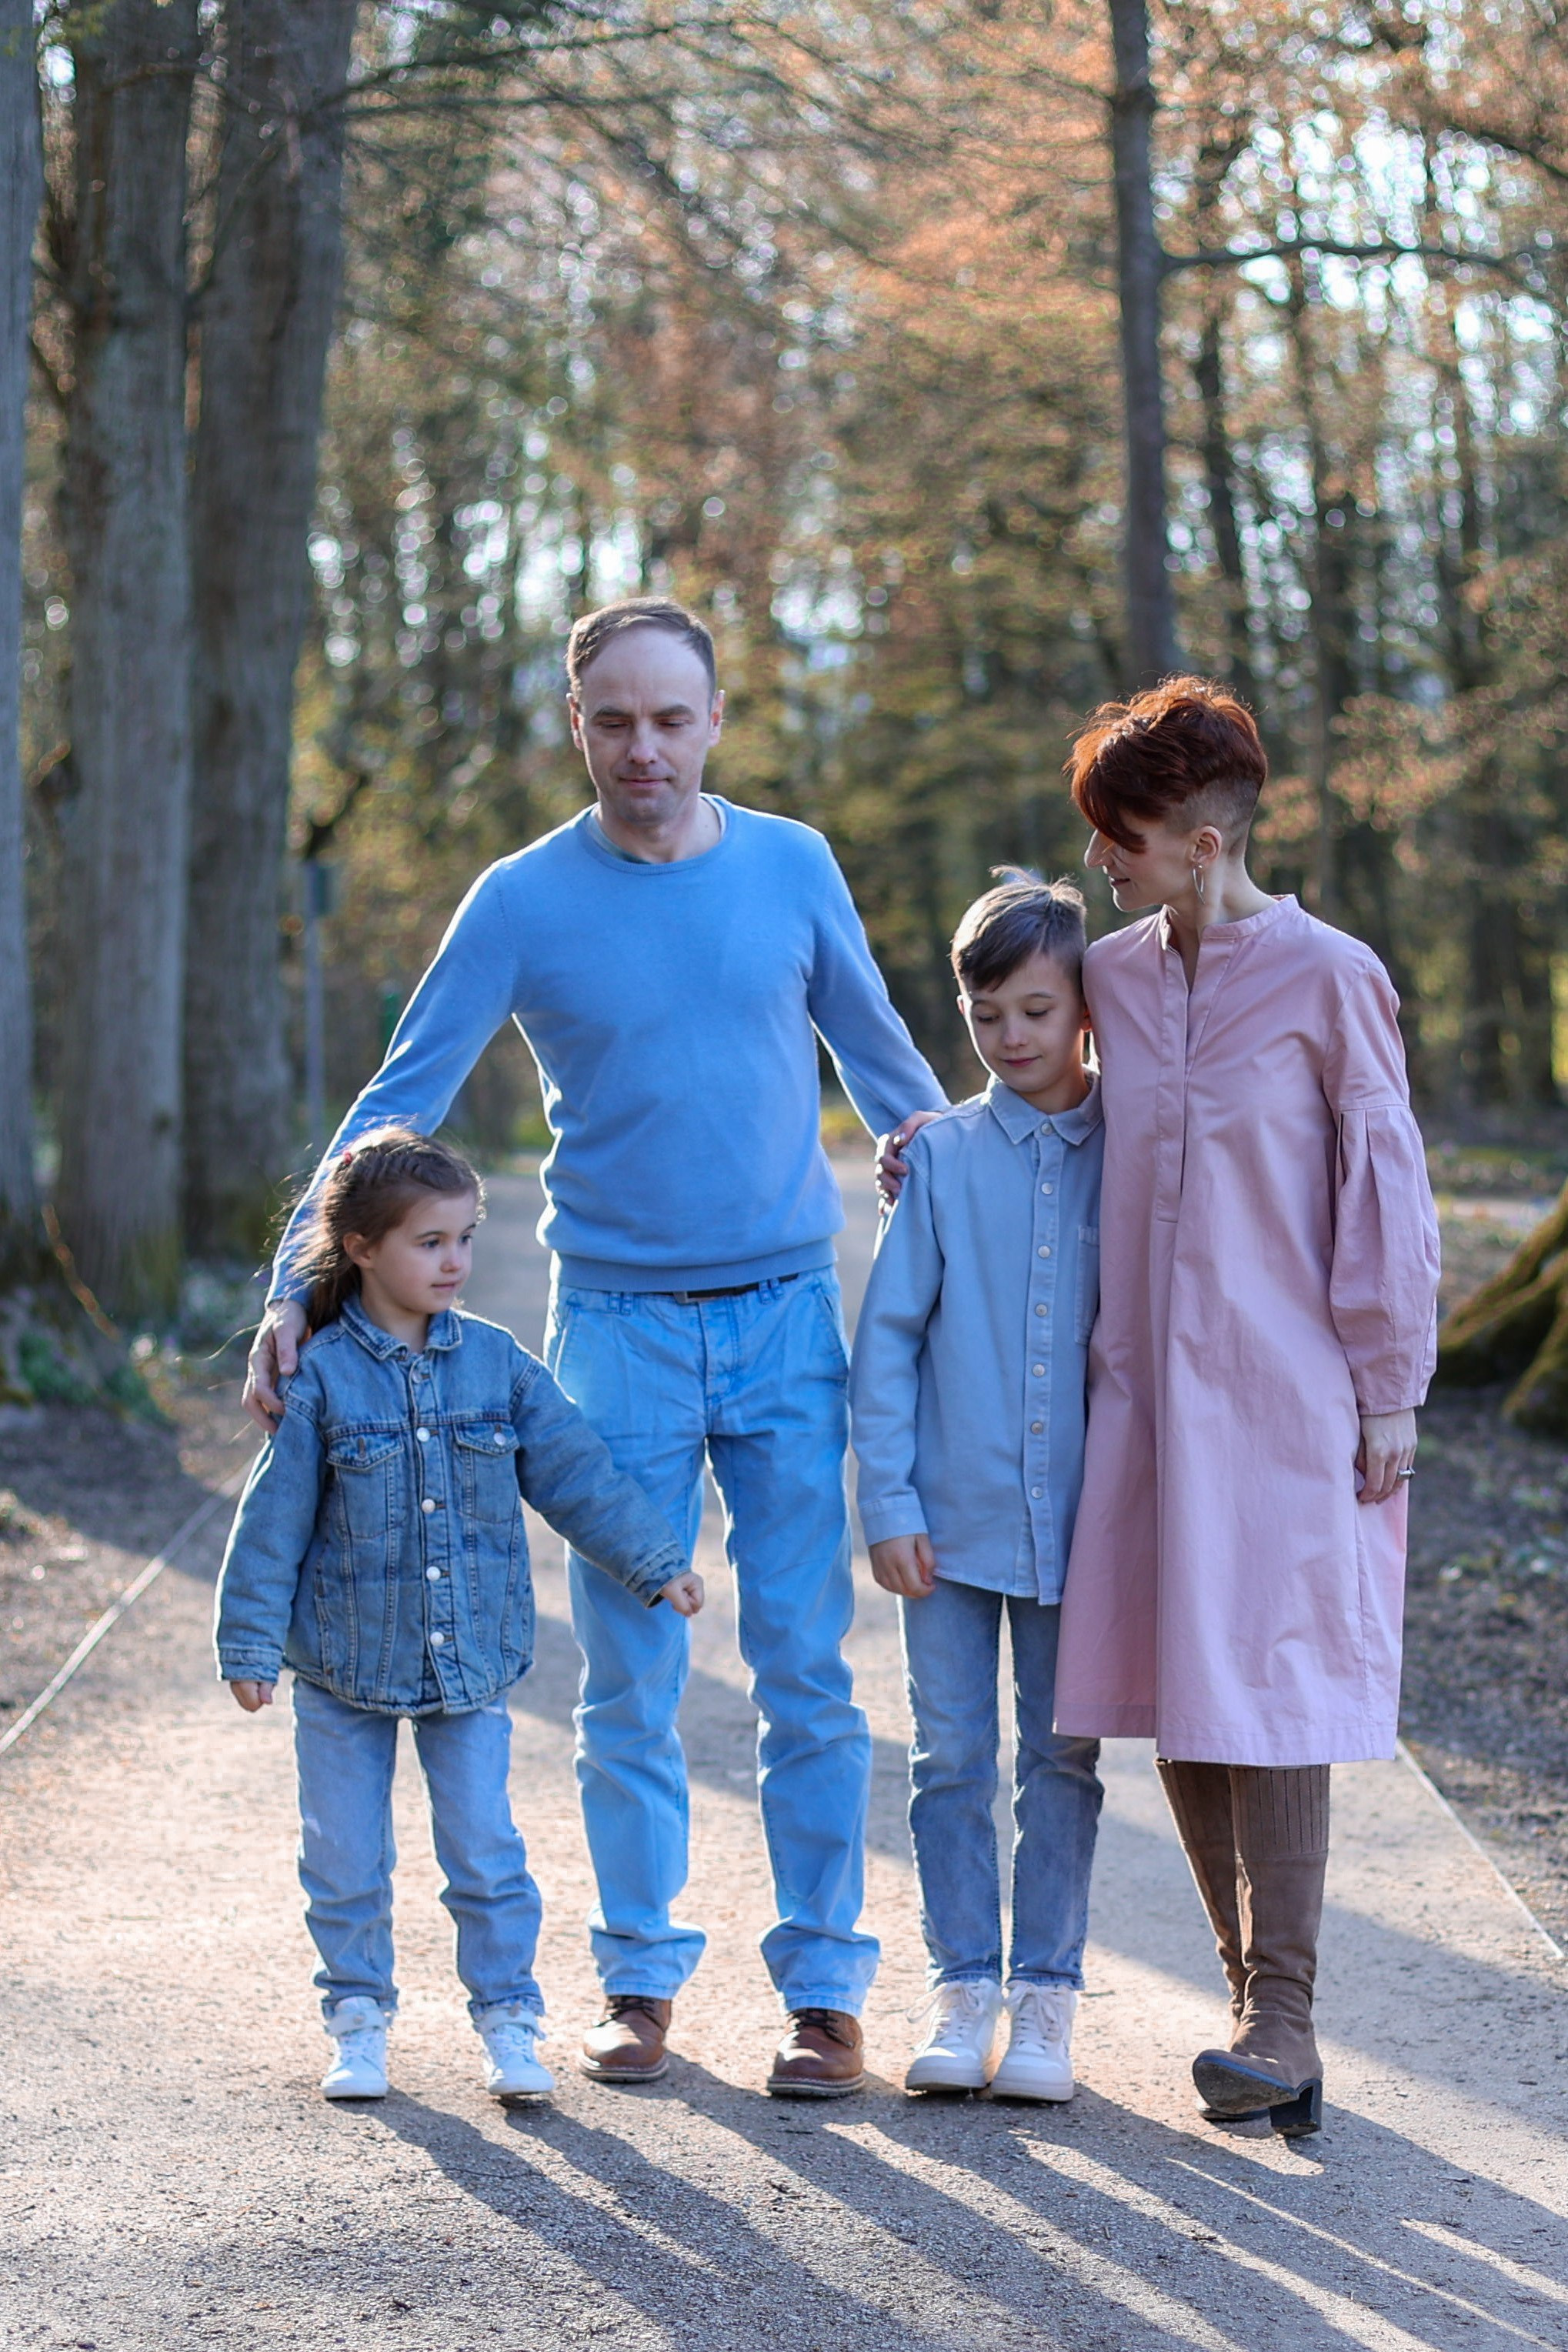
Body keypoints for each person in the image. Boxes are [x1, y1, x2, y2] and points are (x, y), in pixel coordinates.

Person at [243, 597, 947, 2097]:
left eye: (670, 718)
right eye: (613, 719)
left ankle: (823, 1992)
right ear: (577, 726)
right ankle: (638, 1980)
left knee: (803, 1666)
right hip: (612, 1335)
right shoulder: (517, 900)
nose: (644, 747)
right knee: (629, 1678)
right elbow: (397, 1099)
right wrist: (292, 1295)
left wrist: (989, 1242)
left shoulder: (792, 865)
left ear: (711, 722)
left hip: (780, 1320)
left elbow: (897, 1078)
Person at [1055, 678, 1441, 2139]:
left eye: (1122, 835)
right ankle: (1251, 2011)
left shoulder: (1332, 976)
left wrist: (1388, 1383)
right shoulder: (1112, 975)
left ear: (1201, 840)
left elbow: (1383, 1191)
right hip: (1143, 1400)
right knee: (1184, 1689)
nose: (1102, 858)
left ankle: (1281, 2010)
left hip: (1290, 1397)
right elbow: (1048, 1114)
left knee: (1268, 1691)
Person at [216, 1129, 703, 2106]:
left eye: (464, 1238)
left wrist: (654, 1560)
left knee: (484, 1851)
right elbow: (271, 1520)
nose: (455, 1262)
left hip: (468, 1663)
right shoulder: (319, 1380)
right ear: (360, 1247)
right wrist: (249, 1640)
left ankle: (508, 2019)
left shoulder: (498, 1366)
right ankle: (357, 2020)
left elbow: (575, 1472)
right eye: (430, 1242)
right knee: (344, 1856)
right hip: (342, 1665)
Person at [850, 872, 1104, 2103]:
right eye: (986, 1012)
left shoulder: (1135, 1152)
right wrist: (887, 1501)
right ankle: (962, 1986)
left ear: (1084, 1012)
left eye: (1036, 1012)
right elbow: (887, 1337)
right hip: (946, 1527)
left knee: (1058, 1760)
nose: (1010, 1038)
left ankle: (1046, 2003)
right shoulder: (941, 1158)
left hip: (1086, 1527)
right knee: (948, 1755)